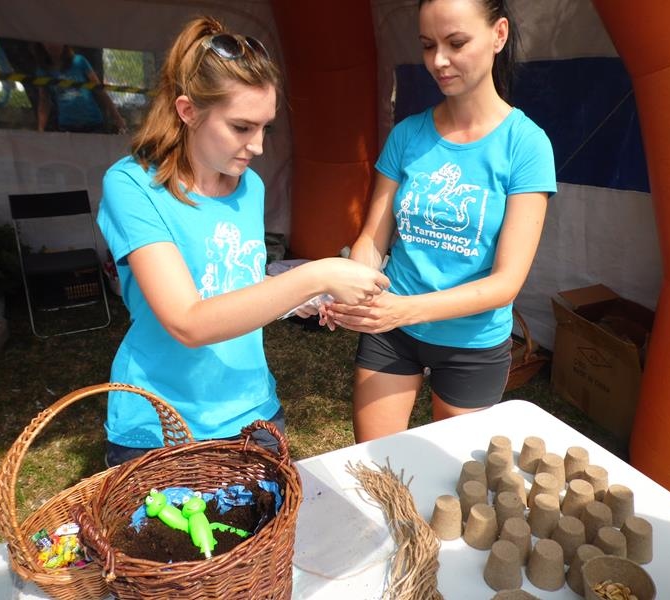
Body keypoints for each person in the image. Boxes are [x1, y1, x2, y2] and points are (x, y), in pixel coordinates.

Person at [97, 16, 388, 466]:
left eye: (265, 127)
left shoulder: (250, 186)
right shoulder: (133, 186)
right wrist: (317, 274)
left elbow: (233, 285)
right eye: (241, 127)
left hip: (252, 413)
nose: (258, 146)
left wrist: (297, 298)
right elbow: (188, 322)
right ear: (187, 111)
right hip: (162, 424)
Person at [323, 0, 556, 442]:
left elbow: (506, 283)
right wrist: (351, 288)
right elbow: (373, 238)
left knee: (453, 476)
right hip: (393, 332)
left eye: (456, 43)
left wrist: (402, 309)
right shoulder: (407, 134)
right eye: (428, 45)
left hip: (472, 342)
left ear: (499, 35)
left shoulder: (526, 145)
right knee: (374, 465)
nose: (439, 61)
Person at [33, 42, 126, 133]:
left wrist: (117, 118)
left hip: (93, 123)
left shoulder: (79, 61)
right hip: (67, 125)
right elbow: (44, 101)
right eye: (48, 42)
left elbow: (99, 91)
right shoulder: (43, 71)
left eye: (57, 41)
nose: (53, 45)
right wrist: (41, 128)